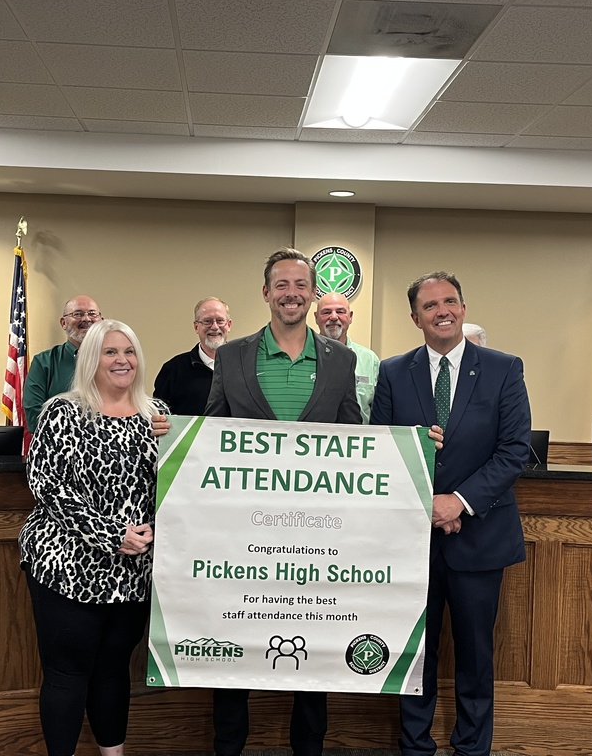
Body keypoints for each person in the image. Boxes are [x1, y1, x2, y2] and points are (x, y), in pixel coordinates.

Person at [205, 248, 361, 756]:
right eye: (282, 285)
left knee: (312, 641)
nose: (291, 294)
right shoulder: (232, 356)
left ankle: (309, 748)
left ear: (312, 294)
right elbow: (211, 432)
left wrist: (414, 445)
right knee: (235, 638)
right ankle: (228, 746)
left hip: (315, 535)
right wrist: (173, 436)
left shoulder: (341, 360)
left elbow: (355, 438)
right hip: (244, 535)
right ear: (266, 292)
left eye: (300, 285)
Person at [370, 272, 530, 756]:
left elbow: (514, 450)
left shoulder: (503, 368)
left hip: (479, 536)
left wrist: (457, 502)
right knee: (415, 651)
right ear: (415, 317)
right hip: (411, 539)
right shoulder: (393, 372)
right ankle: (415, 746)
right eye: (430, 305)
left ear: (462, 308)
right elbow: (382, 450)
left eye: (450, 301)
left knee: (476, 656)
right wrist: (428, 505)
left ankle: (472, 748)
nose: (442, 311)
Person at [20, 319, 169, 756]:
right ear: (91, 359)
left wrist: (153, 526)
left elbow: (175, 482)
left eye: (129, 351)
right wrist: (110, 534)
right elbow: (46, 484)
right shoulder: (62, 412)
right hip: (67, 564)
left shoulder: (158, 415)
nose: (122, 360)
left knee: (113, 670)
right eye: (110, 352)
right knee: (68, 671)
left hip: (132, 570)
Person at [23, 295, 102, 433]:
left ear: (101, 321)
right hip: (60, 443)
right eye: (77, 314)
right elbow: (35, 417)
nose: (86, 319)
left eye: (92, 313)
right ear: (63, 323)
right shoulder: (43, 363)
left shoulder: (116, 362)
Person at [153, 297, 232, 415]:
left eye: (220, 321)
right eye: (207, 321)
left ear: (229, 325)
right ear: (196, 327)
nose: (215, 327)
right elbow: (159, 416)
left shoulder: (245, 366)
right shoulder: (173, 369)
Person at [313, 291, 380, 424]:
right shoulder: (305, 356)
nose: (333, 317)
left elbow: (378, 412)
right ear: (316, 317)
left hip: (358, 436)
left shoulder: (369, 360)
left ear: (350, 317)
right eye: (326, 312)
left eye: (340, 311)